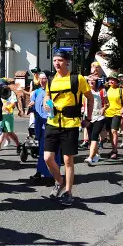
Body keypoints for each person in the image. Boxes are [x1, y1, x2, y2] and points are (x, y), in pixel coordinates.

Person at [43, 50, 93, 206]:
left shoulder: (77, 79)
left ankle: (68, 192)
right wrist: (46, 103)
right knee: (48, 158)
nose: (56, 63)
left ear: (67, 62)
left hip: (70, 123)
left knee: (68, 161)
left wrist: (88, 118)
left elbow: (89, 98)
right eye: (55, 60)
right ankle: (59, 181)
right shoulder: (51, 80)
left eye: (60, 60)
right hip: (53, 123)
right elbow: (47, 95)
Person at [30, 72, 60, 181]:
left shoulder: (53, 92)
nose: (43, 80)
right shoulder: (36, 92)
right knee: (42, 149)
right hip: (39, 124)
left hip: (50, 124)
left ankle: (51, 174)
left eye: (45, 78)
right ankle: (40, 171)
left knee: (50, 150)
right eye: (41, 78)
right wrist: (31, 106)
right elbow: (33, 104)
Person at [105, 73, 123, 160]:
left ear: (116, 81)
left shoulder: (121, 90)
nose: (110, 81)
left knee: (114, 131)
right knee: (110, 133)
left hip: (117, 113)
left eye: (113, 80)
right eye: (109, 79)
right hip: (107, 113)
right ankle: (113, 149)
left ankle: (115, 151)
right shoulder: (106, 89)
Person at [84, 76, 108, 166]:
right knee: (90, 138)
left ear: (96, 82)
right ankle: (96, 154)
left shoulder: (101, 91)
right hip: (88, 117)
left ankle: (90, 157)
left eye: (93, 80)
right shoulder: (85, 91)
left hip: (99, 117)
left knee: (94, 135)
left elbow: (107, 103)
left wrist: (103, 108)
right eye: (89, 80)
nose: (91, 82)